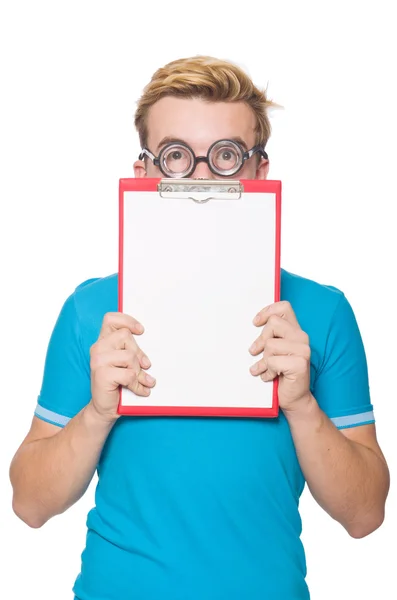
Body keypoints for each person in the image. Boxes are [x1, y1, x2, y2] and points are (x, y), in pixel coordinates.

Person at [9, 56, 390, 600]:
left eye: (227, 156)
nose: (203, 180)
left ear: (260, 172)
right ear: (143, 173)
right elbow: (29, 505)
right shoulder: (90, 310)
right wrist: (97, 413)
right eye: (177, 157)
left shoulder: (322, 313)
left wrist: (303, 405)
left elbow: (366, 514)